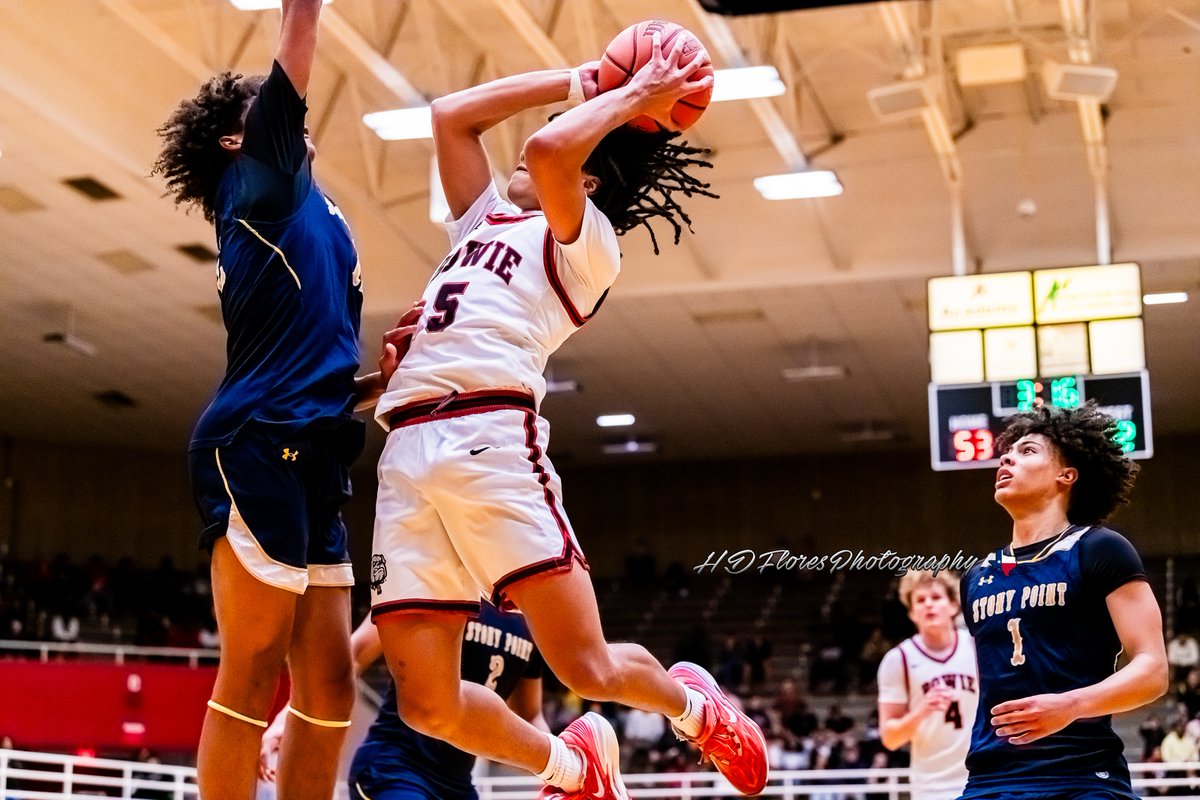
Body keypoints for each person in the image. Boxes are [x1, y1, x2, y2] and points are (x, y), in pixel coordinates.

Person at [368, 33, 767, 800]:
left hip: (488, 439)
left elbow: (550, 149)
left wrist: (626, 98)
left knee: (585, 667)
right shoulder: (478, 224)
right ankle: (573, 767)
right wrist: (580, 76)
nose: (520, 160)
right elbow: (451, 116)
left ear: (585, 184)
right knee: (426, 705)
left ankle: (696, 710)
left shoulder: (588, 247)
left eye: (540, 167)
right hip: (405, 450)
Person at [152, 2, 421, 797]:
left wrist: (380, 384)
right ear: (241, 138)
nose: (289, 110)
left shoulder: (317, 212)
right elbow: (299, 27)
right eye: (267, 107)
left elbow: (318, 370)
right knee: (252, 666)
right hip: (257, 442)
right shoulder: (260, 178)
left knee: (332, 685)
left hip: (314, 444)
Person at [959, 402, 1168, 799]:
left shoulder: (1099, 549)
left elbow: (1153, 670)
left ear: (1066, 475)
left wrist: (1070, 706)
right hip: (990, 779)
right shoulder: (976, 576)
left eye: (1028, 451)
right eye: (1009, 451)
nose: (1007, 456)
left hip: (1082, 775)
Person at [260, 602, 547, 800]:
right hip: (394, 768)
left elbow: (530, 715)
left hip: (457, 784)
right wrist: (289, 714)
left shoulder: (530, 620)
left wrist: (563, 765)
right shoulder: (437, 579)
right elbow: (357, 651)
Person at [877, 570, 978, 800]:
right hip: (931, 786)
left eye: (936, 597)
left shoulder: (976, 646)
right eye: (921, 600)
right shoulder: (898, 660)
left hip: (981, 776)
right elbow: (890, 738)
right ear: (912, 613)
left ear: (953, 606)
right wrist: (922, 711)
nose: (929, 605)